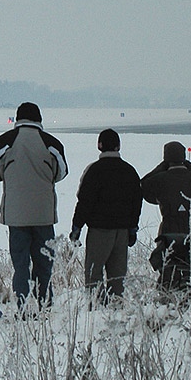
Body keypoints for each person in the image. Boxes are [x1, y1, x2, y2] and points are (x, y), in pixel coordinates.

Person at [0, 102, 68, 311]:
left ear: (17, 118)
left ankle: (22, 304)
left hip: (16, 215)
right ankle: (44, 303)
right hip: (44, 214)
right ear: (39, 119)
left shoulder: (4, 141)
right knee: (44, 264)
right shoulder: (52, 143)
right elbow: (62, 173)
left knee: (20, 265)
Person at [68, 129, 142, 304]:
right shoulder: (130, 171)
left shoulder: (94, 170)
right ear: (118, 146)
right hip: (122, 231)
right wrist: (132, 228)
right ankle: (116, 310)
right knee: (117, 278)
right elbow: (136, 203)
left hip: (99, 231)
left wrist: (77, 226)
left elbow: (84, 201)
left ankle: (95, 310)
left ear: (99, 145)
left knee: (94, 273)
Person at [140, 141, 191, 292]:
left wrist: (161, 167)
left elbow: (143, 186)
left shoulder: (161, 178)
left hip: (169, 228)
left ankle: (169, 294)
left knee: (169, 266)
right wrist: (189, 165)